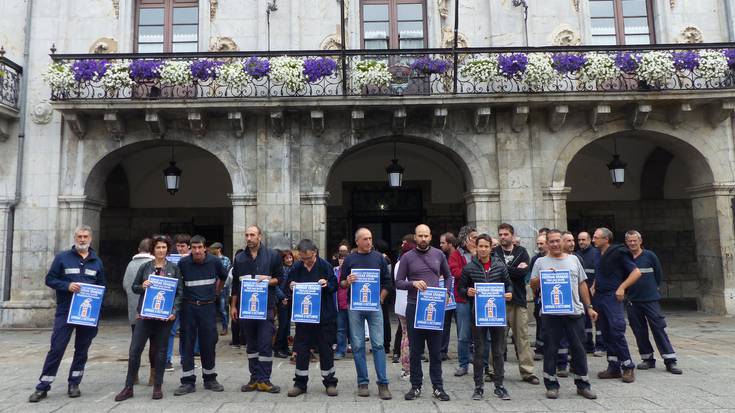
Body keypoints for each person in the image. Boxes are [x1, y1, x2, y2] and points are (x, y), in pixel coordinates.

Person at [29, 225, 106, 403]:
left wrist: (98, 312)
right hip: (66, 311)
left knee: (82, 350)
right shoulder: (63, 258)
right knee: (57, 348)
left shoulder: (97, 261)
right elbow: (50, 279)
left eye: (85, 237)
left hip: (87, 314)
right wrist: (67, 286)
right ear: (74, 238)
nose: (82, 239)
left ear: (90, 239)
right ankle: (43, 386)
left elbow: (102, 287)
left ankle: (74, 383)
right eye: (79, 236)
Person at [529, 229, 597, 400]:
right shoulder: (540, 262)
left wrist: (588, 306)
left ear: (563, 241)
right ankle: (551, 384)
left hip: (574, 311)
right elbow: (533, 285)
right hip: (551, 313)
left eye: (557, 240)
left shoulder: (574, 259)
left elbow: (582, 284)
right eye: (551, 241)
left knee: (578, 348)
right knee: (551, 348)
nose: (554, 244)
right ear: (547, 244)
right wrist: (543, 277)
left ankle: (583, 384)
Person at [115, 235, 183, 401]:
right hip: (145, 315)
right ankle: (128, 387)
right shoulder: (145, 267)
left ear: (168, 250)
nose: (161, 250)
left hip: (164, 318)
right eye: (158, 247)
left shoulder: (174, 268)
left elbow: (180, 292)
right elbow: (134, 287)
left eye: (164, 247)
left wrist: (174, 311)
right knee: (135, 350)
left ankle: (157, 386)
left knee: (160, 352)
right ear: (153, 249)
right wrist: (142, 285)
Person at [395, 224, 452, 402]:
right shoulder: (407, 257)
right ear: (415, 237)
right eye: (420, 236)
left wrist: (448, 293)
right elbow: (397, 282)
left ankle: (438, 387)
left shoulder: (438, 254)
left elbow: (449, 276)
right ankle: (416, 386)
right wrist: (412, 284)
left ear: (430, 236)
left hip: (434, 305)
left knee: (435, 350)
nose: (423, 239)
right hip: (414, 306)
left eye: (426, 236)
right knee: (415, 350)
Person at [341, 228, 394, 399]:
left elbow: (387, 282)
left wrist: (380, 298)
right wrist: (347, 282)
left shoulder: (379, 258)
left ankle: (383, 383)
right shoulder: (350, 259)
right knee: (357, 345)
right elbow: (341, 282)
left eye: (370, 238)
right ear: (357, 241)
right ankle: (362, 382)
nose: (369, 242)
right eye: (365, 239)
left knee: (378, 344)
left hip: (374, 306)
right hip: (355, 307)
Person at [230, 225, 284, 393]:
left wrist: (268, 281)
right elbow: (236, 285)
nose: (249, 238)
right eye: (246, 235)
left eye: (252, 235)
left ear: (260, 236)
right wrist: (233, 306)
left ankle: (265, 380)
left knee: (265, 342)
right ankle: (254, 378)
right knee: (251, 344)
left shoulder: (272, 256)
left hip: (266, 306)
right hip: (246, 308)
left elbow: (280, 278)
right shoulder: (239, 258)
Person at [458, 234, 512, 401]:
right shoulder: (469, 268)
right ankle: (478, 387)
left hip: (497, 315)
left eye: (486, 246)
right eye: (480, 246)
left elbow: (508, 283)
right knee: (479, 352)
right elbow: (460, 288)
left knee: (498, 351)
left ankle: (499, 386)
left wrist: (509, 293)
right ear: (476, 247)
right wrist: (467, 291)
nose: (483, 249)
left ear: (490, 248)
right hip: (478, 314)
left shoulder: (499, 265)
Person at [174, 235, 228, 395]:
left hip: (208, 308)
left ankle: (210, 378)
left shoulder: (215, 262)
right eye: (194, 247)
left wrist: (216, 292)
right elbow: (178, 284)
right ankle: (188, 381)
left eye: (200, 247)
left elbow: (224, 278)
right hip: (188, 308)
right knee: (187, 344)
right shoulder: (183, 263)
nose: (197, 251)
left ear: (205, 248)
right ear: (190, 248)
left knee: (208, 343)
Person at [624, 230, 682, 375]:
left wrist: (651, 290)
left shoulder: (650, 256)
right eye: (629, 241)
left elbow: (658, 275)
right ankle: (647, 358)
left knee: (658, 328)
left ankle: (670, 360)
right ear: (626, 243)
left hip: (650, 300)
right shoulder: (625, 258)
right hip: (633, 300)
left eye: (634, 240)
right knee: (639, 330)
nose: (632, 243)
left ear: (640, 241)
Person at [286, 239, 339, 397]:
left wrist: (326, 284)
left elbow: (334, 285)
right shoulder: (296, 267)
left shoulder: (325, 266)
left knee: (325, 349)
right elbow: (286, 285)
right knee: (301, 349)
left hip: (324, 316)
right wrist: (290, 286)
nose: (305, 261)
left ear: (314, 253)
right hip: (304, 317)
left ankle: (330, 382)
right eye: (302, 258)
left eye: (308, 258)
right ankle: (300, 383)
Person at [592, 227, 641, 383]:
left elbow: (636, 272)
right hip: (600, 297)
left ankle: (628, 366)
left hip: (612, 297)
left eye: (596, 237)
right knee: (605, 332)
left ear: (606, 239)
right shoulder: (599, 255)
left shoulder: (619, 253)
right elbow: (601, 273)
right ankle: (613, 366)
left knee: (616, 330)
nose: (593, 240)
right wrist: (594, 285)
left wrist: (621, 288)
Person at [493, 223, 539, 385]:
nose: (503, 237)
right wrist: (513, 269)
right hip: (498, 301)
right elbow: (494, 271)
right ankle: (493, 371)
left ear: (512, 235)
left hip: (518, 300)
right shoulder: (494, 252)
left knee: (522, 338)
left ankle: (528, 372)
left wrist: (504, 269)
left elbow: (523, 273)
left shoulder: (521, 252)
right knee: (497, 338)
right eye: (501, 234)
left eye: (506, 234)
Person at [121, 238, 153, 384]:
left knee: (136, 345)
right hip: (152, 312)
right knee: (155, 344)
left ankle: (133, 375)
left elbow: (125, 285)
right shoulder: (154, 265)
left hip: (134, 311)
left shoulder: (130, 264)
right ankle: (154, 375)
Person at [450, 226, 478, 378]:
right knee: (463, 334)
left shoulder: (482, 252)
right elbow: (455, 273)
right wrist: (472, 263)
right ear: (465, 239)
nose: (475, 240)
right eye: (473, 237)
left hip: (479, 298)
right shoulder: (456, 254)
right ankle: (463, 364)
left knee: (482, 334)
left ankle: (483, 364)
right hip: (462, 299)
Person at [166, 233, 192, 372]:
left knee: (186, 331)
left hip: (188, 299)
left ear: (188, 247)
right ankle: (167, 360)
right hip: (174, 298)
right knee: (171, 330)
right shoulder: (170, 261)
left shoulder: (193, 259)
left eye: (183, 246)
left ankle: (185, 359)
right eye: (178, 246)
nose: (180, 249)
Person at [577, 231, 605, 357]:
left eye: (584, 239)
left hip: (595, 291)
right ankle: (588, 344)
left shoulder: (596, 254)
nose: (581, 242)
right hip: (583, 292)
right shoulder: (576, 255)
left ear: (589, 240)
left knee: (598, 319)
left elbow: (600, 272)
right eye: (579, 240)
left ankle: (600, 345)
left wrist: (595, 285)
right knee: (585, 320)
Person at [438, 232, 457, 361]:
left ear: (450, 244)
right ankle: (442, 350)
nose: (440, 245)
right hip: (448, 294)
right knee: (445, 322)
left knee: (460, 324)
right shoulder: (443, 256)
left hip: (457, 294)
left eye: (443, 243)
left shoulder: (456, 256)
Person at [274, 249, 295, 358]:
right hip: (282, 300)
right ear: (283, 259)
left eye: (290, 257)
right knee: (282, 325)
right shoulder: (280, 269)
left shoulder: (293, 268)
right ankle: (277, 348)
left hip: (290, 299)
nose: (289, 260)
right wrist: (282, 297)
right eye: (286, 258)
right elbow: (276, 286)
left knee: (287, 326)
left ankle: (285, 348)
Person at [530, 234, 547, 361]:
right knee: (540, 322)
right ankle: (540, 348)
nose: (539, 246)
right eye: (538, 244)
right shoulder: (536, 260)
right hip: (540, 297)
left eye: (542, 243)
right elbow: (531, 279)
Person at [210, 242, 231, 336]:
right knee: (211, 308)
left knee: (222, 308)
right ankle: (212, 328)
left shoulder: (225, 259)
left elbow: (223, 273)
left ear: (219, 249)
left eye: (213, 249)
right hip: (212, 286)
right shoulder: (210, 259)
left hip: (222, 287)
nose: (212, 250)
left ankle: (225, 327)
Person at [334, 249, 351, 360]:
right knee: (340, 329)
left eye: (345, 258)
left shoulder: (353, 272)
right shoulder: (334, 271)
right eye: (341, 258)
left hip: (351, 304)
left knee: (354, 329)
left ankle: (357, 348)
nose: (343, 261)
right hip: (339, 304)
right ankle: (340, 351)